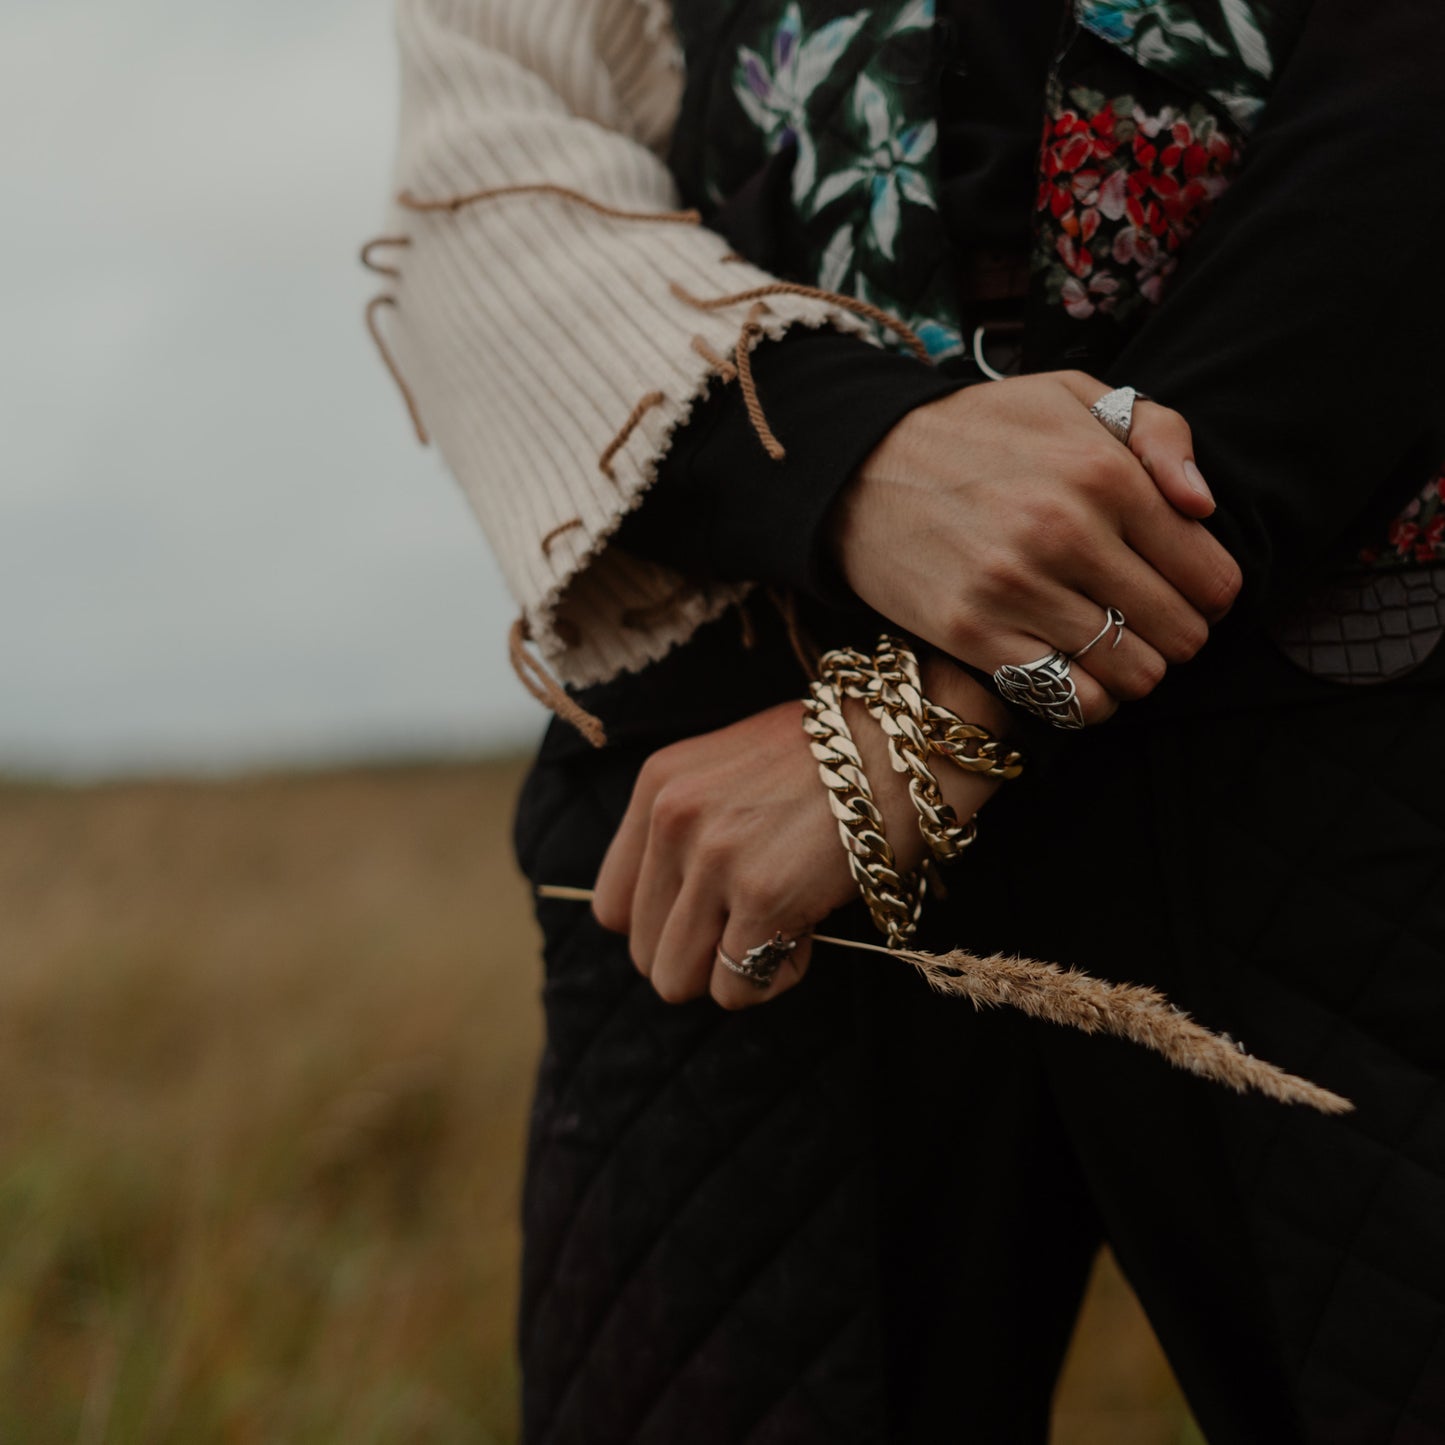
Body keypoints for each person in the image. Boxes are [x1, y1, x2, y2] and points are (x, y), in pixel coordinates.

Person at [369, 1, 1445, 1439]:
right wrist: (859, 466)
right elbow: (485, 176)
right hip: (738, 803)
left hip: (1353, 717)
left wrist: (937, 708)